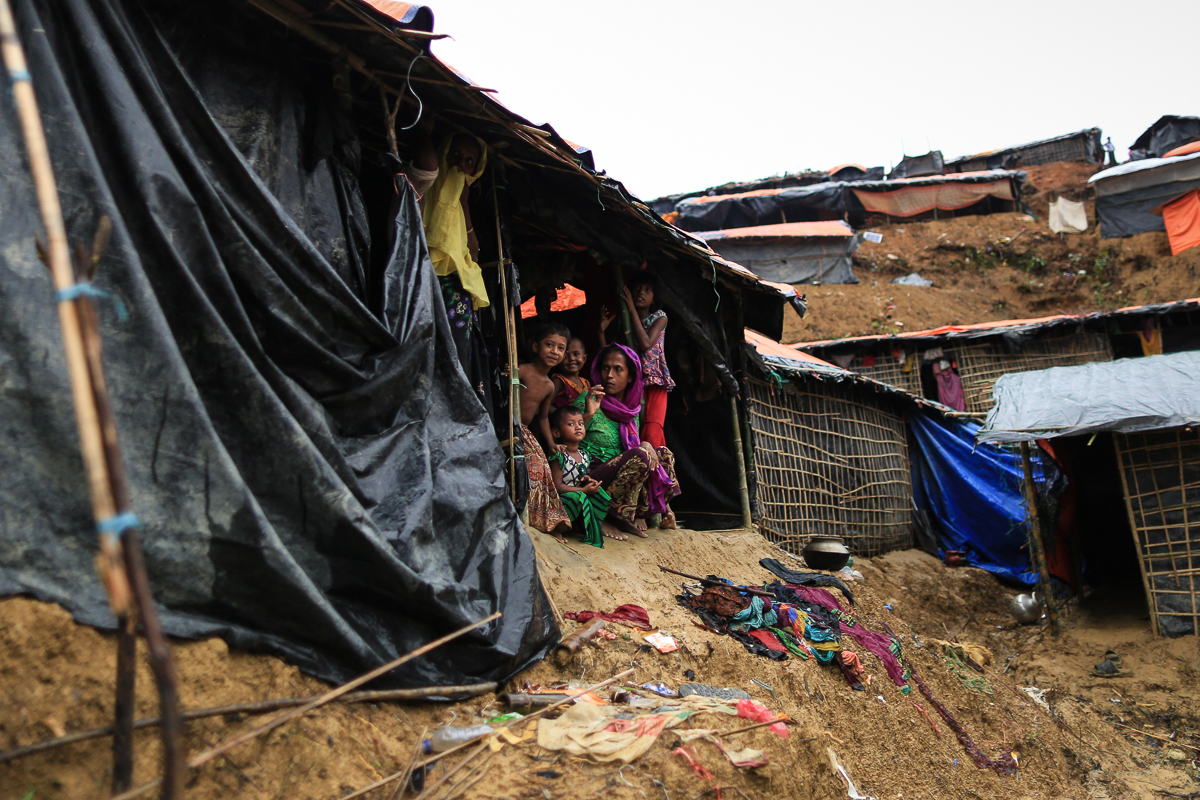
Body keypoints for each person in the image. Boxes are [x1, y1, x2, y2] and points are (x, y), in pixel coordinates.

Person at [573, 343, 680, 537]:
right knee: (641, 455)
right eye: (605, 368)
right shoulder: (587, 400)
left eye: (618, 369)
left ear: (630, 376)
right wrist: (588, 415)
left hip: (619, 475)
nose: (609, 375)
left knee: (662, 454)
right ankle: (602, 515)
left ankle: (640, 514)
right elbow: (567, 443)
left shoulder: (631, 411)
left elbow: (632, 448)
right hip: (590, 476)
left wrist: (646, 444)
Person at [421, 132, 491, 406]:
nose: (461, 164)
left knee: (457, 348)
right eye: (456, 155)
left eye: (469, 161)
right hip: (424, 274)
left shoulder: (461, 200)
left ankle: (454, 404)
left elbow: (473, 252)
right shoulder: (428, 183)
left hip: (455, 281)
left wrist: (463, 202)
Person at [601, 273, 673, 449]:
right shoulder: (623, 322)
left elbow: (646, 344)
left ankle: (654, 466)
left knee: (652, 431)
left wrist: (631, 308)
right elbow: (610, 356)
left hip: (655, 381)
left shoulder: (659, 317)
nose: (641, 292)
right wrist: (601, 332)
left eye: (648, 290)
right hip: (632, 383)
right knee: (630, 432)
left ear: (654, 297)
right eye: (638, 288)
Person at [518, 323, 572, 542]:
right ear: (535, 347)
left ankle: (549, 521)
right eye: (549, 345)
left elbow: (542, 417)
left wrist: (551, 444)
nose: (554, 351)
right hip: (509, 426)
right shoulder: (521, 371)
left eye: (560, 348)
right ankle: (531, 518)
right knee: (533, 466)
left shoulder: (549, 386)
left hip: (524, 431)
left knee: (543, 468)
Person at [548, 406, 612, 548]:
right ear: (556, 432)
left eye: (581, 423)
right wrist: (583, 490)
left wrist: (587, 480)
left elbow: (581, 476)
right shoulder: (560, 456)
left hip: (577, 495)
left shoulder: (584, 454)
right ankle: (556, 528)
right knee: (577, 497)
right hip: (559, 502)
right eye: (571, 424)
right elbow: (557, 487)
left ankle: (582, 526)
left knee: (600, 493)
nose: (578, 427)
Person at [552, 336, 591, 409]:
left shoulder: (586, 383)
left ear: (584, 359)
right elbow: (546, 406)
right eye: (566, 356)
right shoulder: (559, 380)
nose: (571, 359)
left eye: (576, 354)